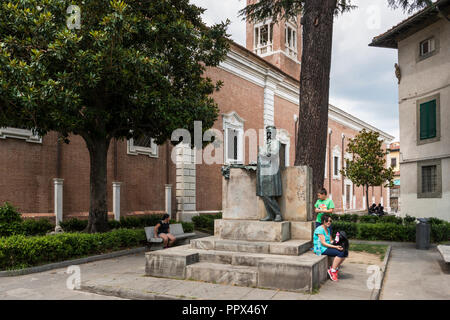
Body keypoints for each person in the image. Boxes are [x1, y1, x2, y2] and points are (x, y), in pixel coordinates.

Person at [313, 214, 348, 282]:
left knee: (345, 251)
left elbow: (330, 241)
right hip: (320, 249)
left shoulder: (328, 229)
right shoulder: (319, 229)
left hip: (326, 247)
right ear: (323, 221)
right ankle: (332, 271)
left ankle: (334, 268)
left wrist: (338, 243)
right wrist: (335, 247)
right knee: (340, 253)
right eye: (327, 221)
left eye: (330, 221)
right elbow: (323, 243)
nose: (329, 222)